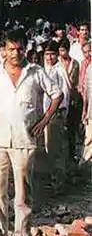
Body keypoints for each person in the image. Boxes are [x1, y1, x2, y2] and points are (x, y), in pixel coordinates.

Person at [0, 30, 62, 236]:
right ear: (3, 51)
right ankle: (0, 234)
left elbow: (57, 95)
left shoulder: (35, 72)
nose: (15, 53)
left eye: (19, 48)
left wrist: (44, 121)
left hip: (25, 141)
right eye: (11, 49)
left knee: (23, 194)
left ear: (26, 49)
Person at [42, 40, 70, 192]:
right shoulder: (45, 69)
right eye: (47, 54)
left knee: (55, 149)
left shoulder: (59, 70)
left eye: (52, 54)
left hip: (56, 114)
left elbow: (65, 93)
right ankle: (52, 179)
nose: (49, 57)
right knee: (48, 148)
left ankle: (59, 182)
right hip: (45, 114)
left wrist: (61, 113)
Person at [58, 39, 80, 159]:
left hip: (71, 98)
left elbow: (74, 82)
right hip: (59, 99)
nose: (61, 53)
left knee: (71, 126)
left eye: (63, 50)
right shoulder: (57, 64)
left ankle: (71, 153)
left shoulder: (75, 64)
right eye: (60, 50)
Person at [82, 61, 92, 166]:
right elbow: (86, 91)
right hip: (91, 111)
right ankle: (85, 163)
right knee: (89, 138)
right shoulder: (90, 68)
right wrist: (84, 109)